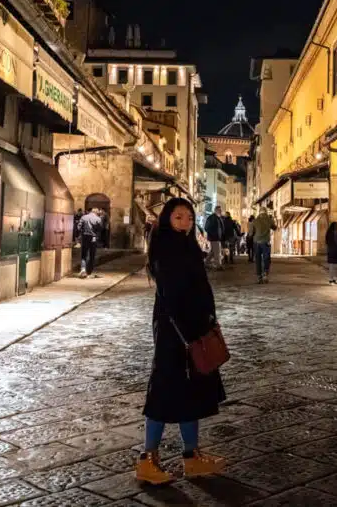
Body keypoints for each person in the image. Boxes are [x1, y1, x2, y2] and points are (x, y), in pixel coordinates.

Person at [136, 197, 227, 484]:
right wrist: (193, 325)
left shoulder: (187, 245)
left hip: (194, 328)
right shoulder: (166, 247)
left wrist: (207, 319)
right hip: (175, 332)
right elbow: (175, 294)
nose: (185, 222)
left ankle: (192, 456)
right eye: (178, 217)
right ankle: (148, 459)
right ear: (167, 219)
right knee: (163, 391)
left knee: (191, 393)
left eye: (188, 217)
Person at [250, 205, 276, 283]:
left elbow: (251, 233)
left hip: (257, 242)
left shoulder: (255, 221)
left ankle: (259, 277)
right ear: (266, 212)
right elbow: (274, 228)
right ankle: (265, 274)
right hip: (266, 242)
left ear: (259, 212)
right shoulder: (269, 220)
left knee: (258, 259)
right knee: (266, 259)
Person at [78, 208, 103, 278]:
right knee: (92, 255)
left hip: (85, 237)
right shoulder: (98, 219)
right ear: (96, 212)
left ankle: (83, 270)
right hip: (93, 238)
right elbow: (100, 229)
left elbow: (79, 227)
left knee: (84, 254)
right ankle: (89, 272)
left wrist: (82, 232)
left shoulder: (84, 217)